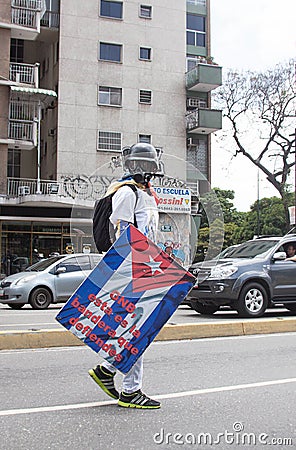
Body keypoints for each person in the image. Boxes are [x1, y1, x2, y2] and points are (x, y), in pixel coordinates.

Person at [88, 143, 161, 409]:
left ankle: (107, 370)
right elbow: (124, 235)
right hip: (133, 268)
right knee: (138, 329)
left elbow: (148, 234)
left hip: (146, 267)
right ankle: (130, 390)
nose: (149, 171)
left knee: (137, 329)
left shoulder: (145, 194)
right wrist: (138, 267)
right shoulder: (126, 193)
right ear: (139, 167)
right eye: (146, 166)